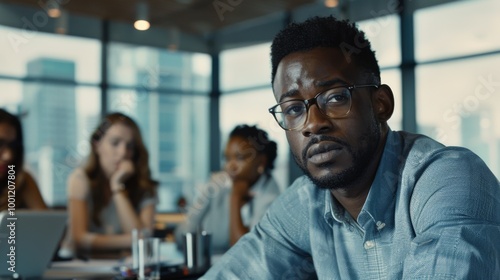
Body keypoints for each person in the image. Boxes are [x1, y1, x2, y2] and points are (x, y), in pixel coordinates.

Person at [202, 16, 500, 279]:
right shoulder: (306, 203)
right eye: (293, 108)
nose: (312, 123)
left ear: (380, 104)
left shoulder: (449, 179)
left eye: (334, 98)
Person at [63, 112, 158, 258]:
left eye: (130, 146)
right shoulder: (80, 179)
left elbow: (142, 245)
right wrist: (133, 240)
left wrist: (117, 187)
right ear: (97, 145)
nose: (122, 153)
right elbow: (79, 239)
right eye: (115, 143)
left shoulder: (144, 185)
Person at [175, 124, 281, 254]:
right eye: (227, 158)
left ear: (261, 162)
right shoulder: (217, 184)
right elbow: (181, 235)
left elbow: (247, 252)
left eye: (240, 158)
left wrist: (235, 198)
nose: (230, 166)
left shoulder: (271, 196)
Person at [0, 108, 47, 211]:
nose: (9, 156)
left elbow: (46, 224)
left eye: (13, 146)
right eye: (0, 144)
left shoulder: (21, 181)